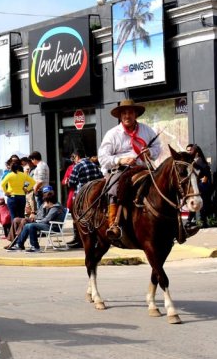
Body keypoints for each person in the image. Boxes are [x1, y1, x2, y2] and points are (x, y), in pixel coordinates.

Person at [98, 99, 162, 240]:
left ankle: (176, 224)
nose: (127, 116)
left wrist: (150, 152)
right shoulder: (112, 134)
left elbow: (158, 147)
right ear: (120, 116)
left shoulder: (147, 130)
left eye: (130, 113)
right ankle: (113, 224)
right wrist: (120, 160)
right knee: (114, 188)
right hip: (122, 170)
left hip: (144, 167)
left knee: (165, 184)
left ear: (136, 114)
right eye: (124, 113)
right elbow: (103, 157)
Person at [6, 187, 64, 253]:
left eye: (46, 201)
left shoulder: (55, 208)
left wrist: (36, 219)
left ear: (50, 201)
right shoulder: (47, 204)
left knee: (30, 225)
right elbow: (40, 215)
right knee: (22, 222)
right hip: (46, 224)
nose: (45, 202)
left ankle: (35, 247)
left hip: (53, 226)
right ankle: (19, 244)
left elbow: (46, 220)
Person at [66, 149, 103, 248]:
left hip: (82, 197)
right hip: (95, 196)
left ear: (77, 156)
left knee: (80, 219)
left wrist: (68, 181)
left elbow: (71, 183)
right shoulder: (94, 165)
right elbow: (101, 178)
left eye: (74, 157)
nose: (74, 159)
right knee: (93, 219)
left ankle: (80, 240)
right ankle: (95, 239)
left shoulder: (77, 166)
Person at [186, 144, 212, 228]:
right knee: (196, 203)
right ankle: (195, 221)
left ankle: (194, 221)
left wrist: (203, 181)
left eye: (191, 151)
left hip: (201, 186)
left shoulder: (199, 162)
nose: (189, 152)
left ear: (196, 153)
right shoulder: (194, 161)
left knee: (198, 203)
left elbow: (205, 175)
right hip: (197, 186)